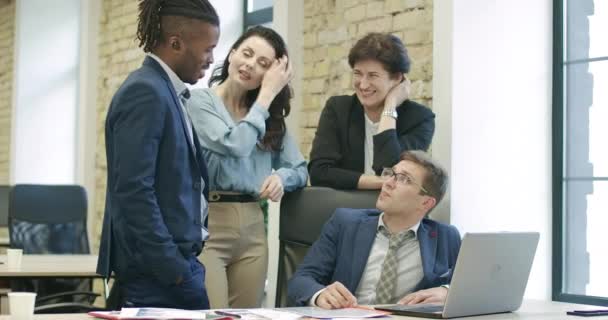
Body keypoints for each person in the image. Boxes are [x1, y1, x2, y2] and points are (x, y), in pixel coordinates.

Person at [96, 0, 219, 309]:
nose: (211, 59)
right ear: (176, 43)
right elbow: (134, 191)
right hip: (158, 275)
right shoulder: (146, 92)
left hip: (174, 267)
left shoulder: (166, 90)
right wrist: (174, 270)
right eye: (207, 49)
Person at [186, 26, 308, 308]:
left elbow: (300, 168)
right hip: (209, 225)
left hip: (254, 227)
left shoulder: (270, 119)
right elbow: (235, 145)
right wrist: (266, 97)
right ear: (231, 54)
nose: (251, 65)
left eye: (263, 64)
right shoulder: (199, 102)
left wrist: (282, 176)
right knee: (214, 314)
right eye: (247, 54)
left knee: (249, 316)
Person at [288, 151, 461, 309]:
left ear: (426, 203)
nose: (388, 183)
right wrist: (320, 294)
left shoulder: (446, 237)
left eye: (404, 179)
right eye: (391, 174)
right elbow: (301, 280)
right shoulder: (345, 223)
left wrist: (447, 291)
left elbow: (473, 287)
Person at [308, 33, 435, 190]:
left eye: (373, 76)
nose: (363, 84)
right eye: (358, 73)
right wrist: (380, 182)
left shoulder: (420, 119)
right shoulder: (338, 109)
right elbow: (319, 173)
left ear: (396, 78)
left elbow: (387, 166)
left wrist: (390, 107)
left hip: (392, 212)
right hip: (343, 208)